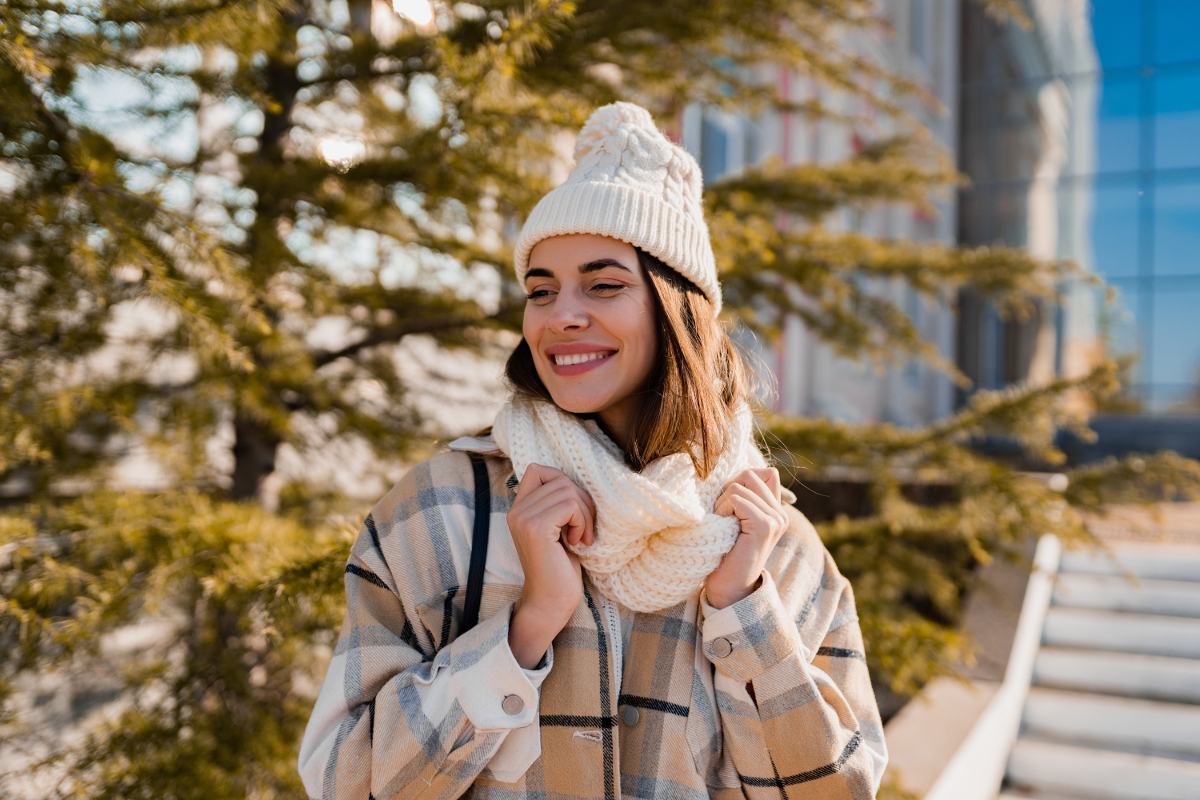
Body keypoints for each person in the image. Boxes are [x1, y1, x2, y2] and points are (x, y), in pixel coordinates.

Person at [298, 101, 888, 800]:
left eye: (603, 284)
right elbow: (344, 782)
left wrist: (744, 613)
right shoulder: (441, 510)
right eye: (540, 290)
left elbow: (838, 791)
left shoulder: (769, 543)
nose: (561, 315)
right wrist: (527, 627)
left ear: (678, 310)